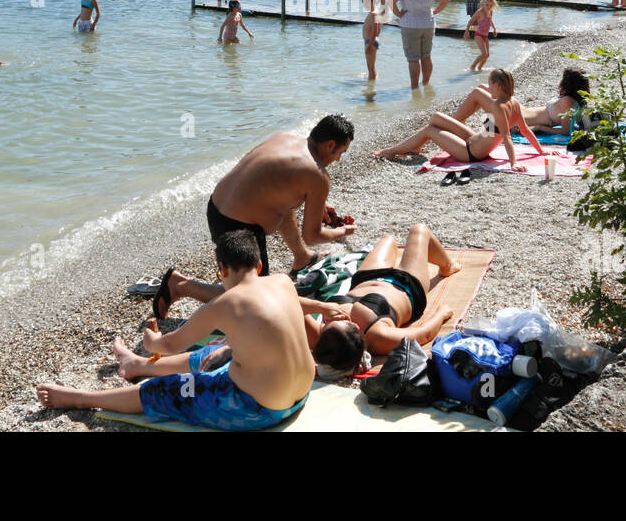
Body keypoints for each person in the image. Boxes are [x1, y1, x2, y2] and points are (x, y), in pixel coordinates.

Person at [38, 230, 313, 431]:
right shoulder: (282, 282)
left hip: (259, 410)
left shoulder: (225, 303)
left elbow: (170, 345)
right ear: (259, 265)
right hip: (299, 395)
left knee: (165, 389)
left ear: (222, 269)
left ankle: (80, 399)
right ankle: (137, 365)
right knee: (214, 351)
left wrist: (153, 341)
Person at [155, 117, 357, 318]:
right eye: (341, 152)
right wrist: (341, 232)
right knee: (253, 299)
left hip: (217, 206)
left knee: (284, 206)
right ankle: (180, 285)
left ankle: (302, 256)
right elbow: (312, 235)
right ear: (330, 144)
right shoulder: (318, 176)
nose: (338, 159)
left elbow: (278, 186)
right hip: (237, 229)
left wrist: (318, 203)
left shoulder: (285, 138)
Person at [302, 224, 460, 374]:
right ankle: (447, 265)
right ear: (357, 332)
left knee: (388, 240)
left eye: (327, 323)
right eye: (345, 321)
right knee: (419, 230)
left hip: (366, 278)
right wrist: (441, 314)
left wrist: (321, 308)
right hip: (407, 284)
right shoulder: (378, 337)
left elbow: (289, 301)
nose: (339, 316)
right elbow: (423, 334)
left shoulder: (320, 337)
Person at [374, 68, 547, 172]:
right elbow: (525, 130)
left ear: (498, 86)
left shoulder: (498, 107)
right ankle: (415, 146)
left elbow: (507, 137)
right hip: (475, 139)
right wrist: (541, 151)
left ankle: (392, 151)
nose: (488, 88)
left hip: (470, 153)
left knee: (429, 129)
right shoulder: (514, 102)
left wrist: (513, 163)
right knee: (436, 117)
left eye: (489, 84)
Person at [390, 0, 449, 89]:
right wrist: (434, 11)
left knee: (413, 58)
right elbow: (446, 0)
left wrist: (399, 14)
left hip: (410, 25)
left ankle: (414, 87)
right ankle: (426, 84)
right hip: (428, 24)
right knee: (426, 56)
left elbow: (390, 1)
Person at [520, 67, 591, 136]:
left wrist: (540, 127)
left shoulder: (568, 101)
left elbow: (565, 131)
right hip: (523, 115)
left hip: (523, 119)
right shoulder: (574, 100)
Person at [463, 0, 498, 72]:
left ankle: (479, 69)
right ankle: (472, 67)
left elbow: (490, 21)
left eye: (491, 5)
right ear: (483, 3)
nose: (488, 7)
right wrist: (466, 31)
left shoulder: (490, 12)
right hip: (478, 35)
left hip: (485, 36)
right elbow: (471, 21)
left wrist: (494, 28)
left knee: (487, 55)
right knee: (484, 54)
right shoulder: (480, 12)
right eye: (487, 5)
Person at [361, 0, 381, 80]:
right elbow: (378, 30)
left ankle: (371, 87)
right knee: (370, 66)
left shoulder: (374, 13)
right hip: (370, 41)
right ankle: (371, 83)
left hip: (371, 41)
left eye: (365, 2)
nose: (363, 4)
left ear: (371, 2)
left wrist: (370, 45)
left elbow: (376, 30)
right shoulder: (373, 12)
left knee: (371, 67)